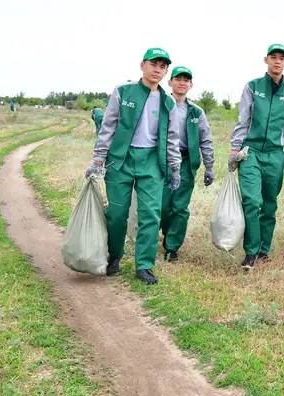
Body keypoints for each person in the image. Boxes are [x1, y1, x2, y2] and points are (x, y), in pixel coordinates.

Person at [84, 47, 182, 285]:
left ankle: (144, 265)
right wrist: (98, 160)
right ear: (142, 65)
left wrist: (174, 167)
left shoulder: (168, 103)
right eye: (153, 64)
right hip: (122, 160)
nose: (158, 70)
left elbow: (172, 137)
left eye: (163, 67)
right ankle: (115, 255)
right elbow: (108, 127)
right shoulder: (123, 91)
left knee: (150, 215)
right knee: (117, 214)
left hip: (152, 163)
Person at [230, 44, 284, 270]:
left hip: (274, 154)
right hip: (251, 153)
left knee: (269, 204)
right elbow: (243, 119)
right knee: (251, 201)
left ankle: (263, 250)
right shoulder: (253, 87)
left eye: (281, 58)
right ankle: (250, 252)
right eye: (273, 57)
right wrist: (234, 150)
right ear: (266, 60)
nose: (277, 61)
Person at [160, 65, 215, 262]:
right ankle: (166, 232)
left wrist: (209, 166)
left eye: (186, 80)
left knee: (180, 207)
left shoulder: (196, 112)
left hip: (185, 162)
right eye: (178, 79)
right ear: (170, 82)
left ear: (190, 85)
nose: (182, 83)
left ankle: (172, 246)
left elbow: (205, 140)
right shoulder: (160, 105)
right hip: (161, 160)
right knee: (162, 205)